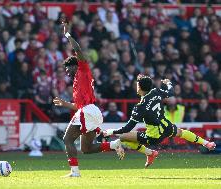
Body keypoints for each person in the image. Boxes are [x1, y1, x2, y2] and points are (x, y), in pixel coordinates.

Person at [53, 22, 124, 177]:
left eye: (68, 67)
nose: (66, 71)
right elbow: (79, 106)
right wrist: (65, 104)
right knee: (86, 149)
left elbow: (77, 49)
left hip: (88, 111)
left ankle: (74, 172)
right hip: (91, 111)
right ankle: (113, 144)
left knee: (67, 140)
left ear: (75, 65)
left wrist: (67, 35)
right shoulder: (77, 83)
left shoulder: (83, 69)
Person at [103, 74, 216, 168]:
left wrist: (110, 132)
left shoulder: (140, 107)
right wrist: (168, 83)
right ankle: (207, 143)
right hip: (166, 126)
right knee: (182, 133)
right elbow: (171, 92)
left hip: (154, 136)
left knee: (123, 137)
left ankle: (150, 153)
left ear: (139, 88)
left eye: (137, 84)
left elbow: (127, 128)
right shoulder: (155, 92)